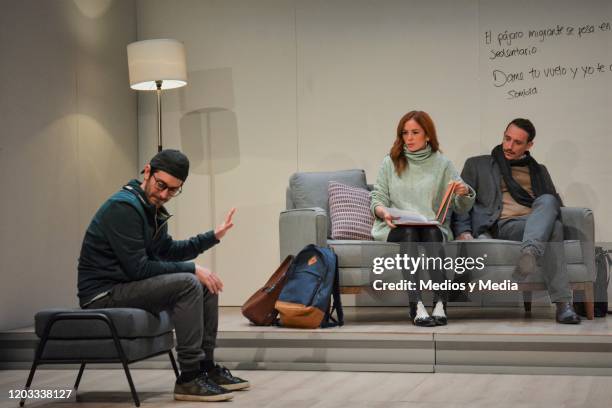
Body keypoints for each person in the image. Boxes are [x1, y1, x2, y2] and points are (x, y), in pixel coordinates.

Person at [77, 149, 248, 402]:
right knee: (190, 282)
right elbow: (140, 269)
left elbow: (167, 251)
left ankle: (205, 367)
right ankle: (189, 377)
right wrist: (193, 269)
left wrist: (212, 237)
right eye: (161, 185)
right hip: (104, 293)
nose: (164, 194)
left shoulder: (152, 209)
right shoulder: (123, 207)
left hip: (127, 286)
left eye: (173, 190)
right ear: (147, 172)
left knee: (206, 284)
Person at [452, 118, 581, 324]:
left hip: (533, 225)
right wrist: (463, 230)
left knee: (549, 204)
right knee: (553, 227)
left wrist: (546, 209)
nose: (509, 146)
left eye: (517, 143)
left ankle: (530, 253)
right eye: (507, 139)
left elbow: (554, 206)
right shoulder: (477, 165)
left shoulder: (539, 171)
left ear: (529, 145)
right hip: (504, 225)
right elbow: (461, 202)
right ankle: (563, 304)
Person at [371, 110, 474, 326]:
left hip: (430, 225)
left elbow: (459, 205)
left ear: (428, 135)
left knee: (429, 232)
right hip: (396, 225)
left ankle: (439, 302)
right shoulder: (390, 162)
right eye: (404, 133)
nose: (408, 138)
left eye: (415, 132)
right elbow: (377, 198)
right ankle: (415, 303)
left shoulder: (443, 164)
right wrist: (383, 212)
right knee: (409, 232)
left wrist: (464, 192)